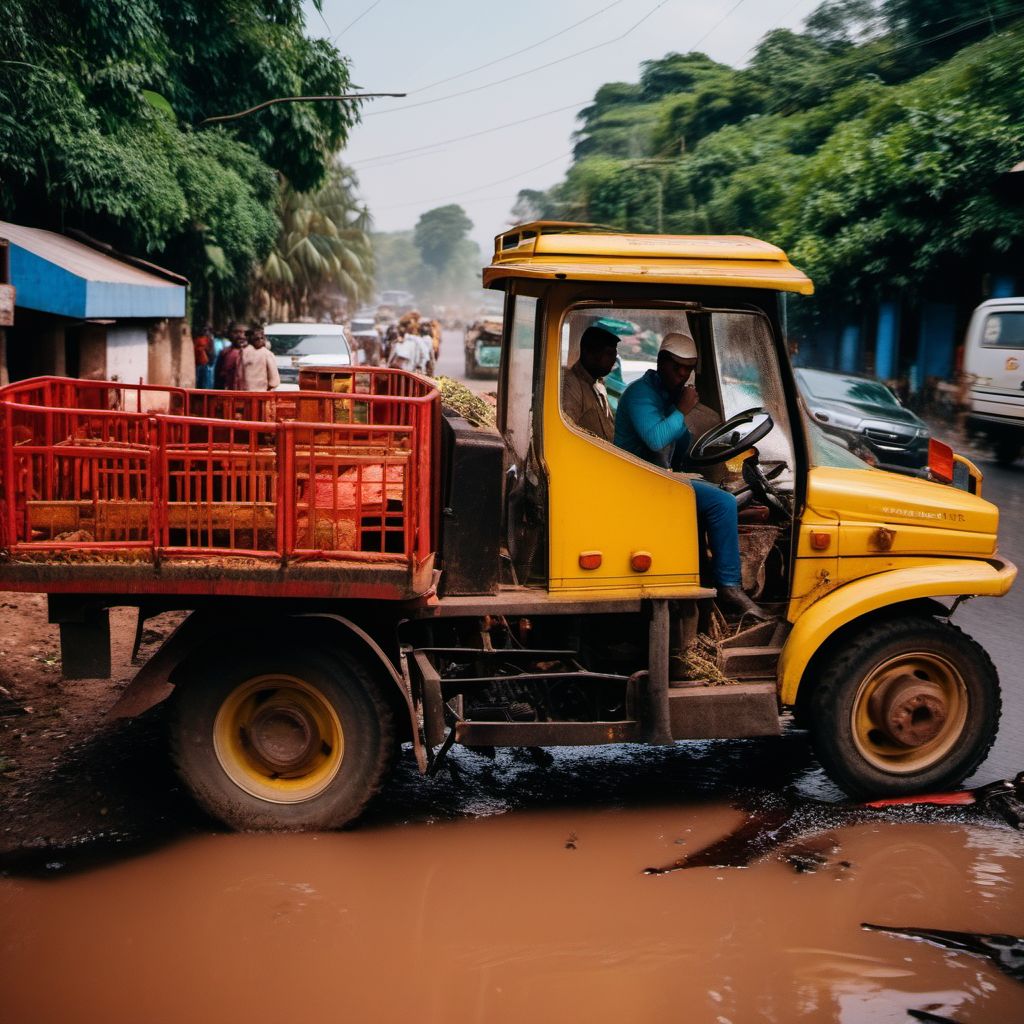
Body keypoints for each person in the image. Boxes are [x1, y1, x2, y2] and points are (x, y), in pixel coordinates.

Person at [614, 331, 769, 620]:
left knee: (718, 493)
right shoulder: (640, 394)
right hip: (638, 481)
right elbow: (656, 440)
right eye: (677, 368)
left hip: (659, 477)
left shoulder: (665, 396)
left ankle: (706, 577)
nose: (683, 375)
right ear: (661, 362)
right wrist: (682, 410)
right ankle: (729, 588)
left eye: (688, 369)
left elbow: (680, 447)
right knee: (722, 503)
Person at [561, 325, 618, 442]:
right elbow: (566, 434)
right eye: (609, 354)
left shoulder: (599, 386)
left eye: (614, 354)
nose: (613, 360)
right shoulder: (571, 385)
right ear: (588, 353)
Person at [241, 324, 280, 391]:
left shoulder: (241, 352)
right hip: (261, 394)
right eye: (257, 339)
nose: (260, 341)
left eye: (262, 338)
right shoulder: (266, 354)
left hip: (242, 395)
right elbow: (274, 381)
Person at [213, 321, 247, 390]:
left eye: (244, 333)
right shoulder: (225, 353)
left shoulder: (253, 354)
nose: (240, 336)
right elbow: (218, 377)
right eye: (236, 332)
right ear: (229, 334)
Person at [193, 322, 215, 389]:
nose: (205, 331)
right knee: (198, 380)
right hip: (196, 363)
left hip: (204, 363)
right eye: (204, 329)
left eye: (207, 330)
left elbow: (211, 351)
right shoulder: (196, 339)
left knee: (204, 381)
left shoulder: (208, 339)